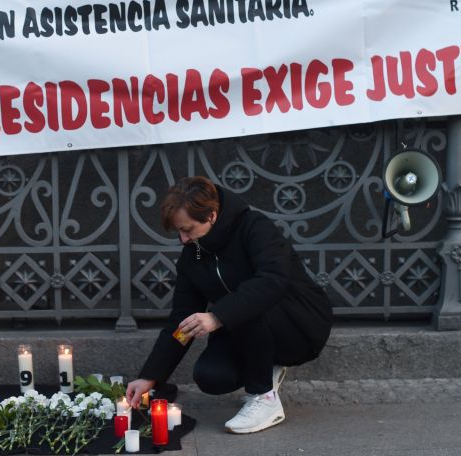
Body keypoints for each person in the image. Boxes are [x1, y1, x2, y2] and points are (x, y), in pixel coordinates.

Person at [125, 176, 333, 434]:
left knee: (250, 298)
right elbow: (181, 321)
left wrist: (217, 317)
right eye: (178, 231)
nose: (183, 239)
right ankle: (267, 367)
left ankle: (264, 398)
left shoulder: (254, 227)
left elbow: (272, 280)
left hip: (299, 324)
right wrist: (151, 375)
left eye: (187, 229)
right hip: (246, 329)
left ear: (211, 215)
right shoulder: (193, 255)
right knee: (211, 376)